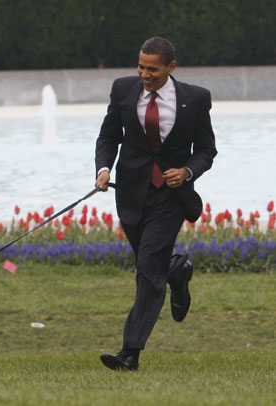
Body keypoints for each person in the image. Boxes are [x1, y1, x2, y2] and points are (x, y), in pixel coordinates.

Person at [94, 36, 217, 371]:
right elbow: (109, 137)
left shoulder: (195, 98)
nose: (144, 75)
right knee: (153, 264)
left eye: (152, 69)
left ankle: (129, 353)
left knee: (148, 270)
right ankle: (177, 269)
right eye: (141, 67)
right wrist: (103, 169)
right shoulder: (122, 89)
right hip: (131, 193)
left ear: (170, 67)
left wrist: (187, 171)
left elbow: (206, 150)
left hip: (171, 197)